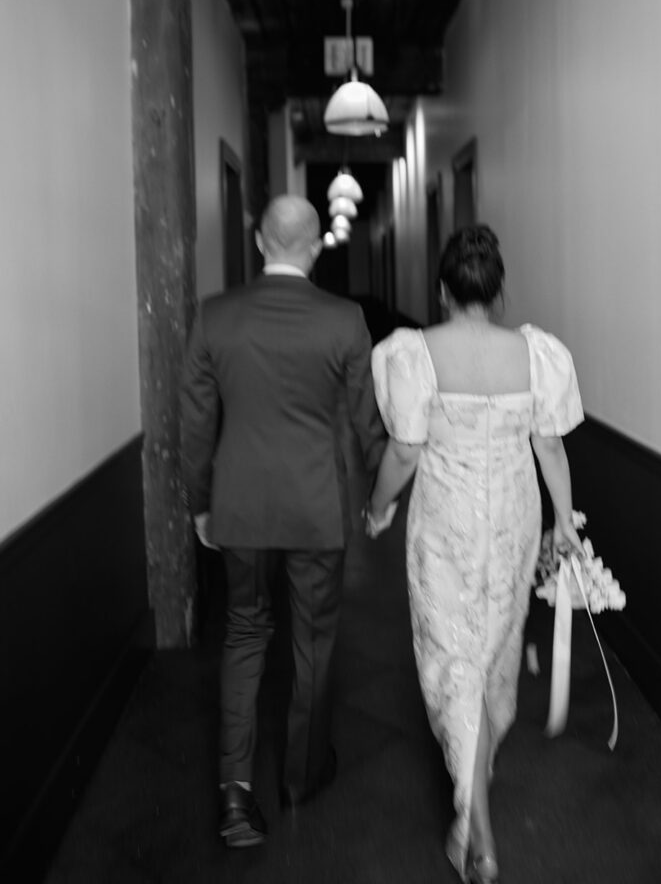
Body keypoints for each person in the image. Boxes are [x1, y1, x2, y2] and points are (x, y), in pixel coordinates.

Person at [365, 225, 584, 884]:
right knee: (491, 650)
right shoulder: (535, 353)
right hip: (515, 515)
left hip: (446, 519)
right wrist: (565, 522)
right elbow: (550, 445)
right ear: (498, 290)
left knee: (452, 655)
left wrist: (377, 507)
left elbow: (405, 450)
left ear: (442, 291)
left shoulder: (413, 353)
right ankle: (475, 800)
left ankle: (478, 830)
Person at [180, 195, 386, 849]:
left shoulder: (215, 316)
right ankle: (301, 776)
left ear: (259, 241)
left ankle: (234, 793)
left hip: (240, 504)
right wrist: (383, 496)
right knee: (314, 642)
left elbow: (195, 425)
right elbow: (368, 421)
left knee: (244, 633)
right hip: (315, 506)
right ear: (316, 247)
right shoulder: (344, 319)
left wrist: (201, 502)